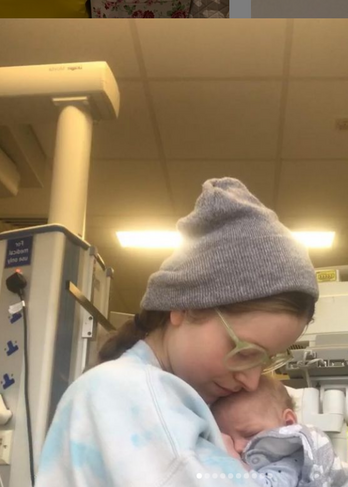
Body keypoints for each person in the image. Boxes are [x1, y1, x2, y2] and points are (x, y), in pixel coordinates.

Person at [36, 178, 320, 486]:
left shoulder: (155, 396)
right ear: (184, 307)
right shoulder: (127, 393)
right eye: (245, 351)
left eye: (266, 361)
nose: (251, 382)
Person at [212, 375, 348, 487]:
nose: (237, 447)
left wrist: (232, 460)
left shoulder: (293, 460)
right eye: (228, 439)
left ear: (288, 423)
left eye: (250, 434)